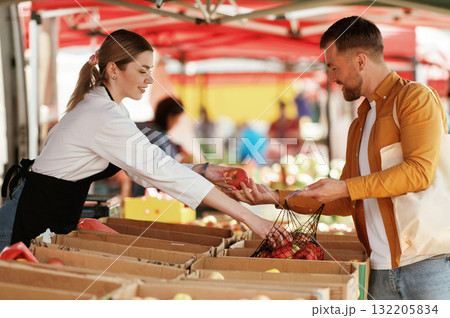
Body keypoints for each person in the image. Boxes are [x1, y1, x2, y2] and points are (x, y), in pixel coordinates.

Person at [0, 29, 290, 251]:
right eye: (142, 70)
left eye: (151, 70)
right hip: (21, 225)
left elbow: (145, 168)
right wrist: (251, 219)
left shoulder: (111, 108)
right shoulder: (101, 115)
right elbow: (160, 171)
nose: (150, 80)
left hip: (41, 221)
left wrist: (205, 170)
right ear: (113, 69)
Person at [232, 17, 449, 300]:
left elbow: (419, 172)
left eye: (334, 67)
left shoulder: (414, 99)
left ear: (360, 61)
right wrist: (274, 197)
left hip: (427, 266)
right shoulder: (360, 123)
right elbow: (347, 200)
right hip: (379, 269)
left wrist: (346, 186)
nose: (332, 78)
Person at [131, 96, 188, 197]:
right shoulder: (157, 138)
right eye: (177, 119)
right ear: (170, 117)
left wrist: (178, 147)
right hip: (147, 197)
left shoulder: (144, 127)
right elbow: (167, 171)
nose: (177, 123)